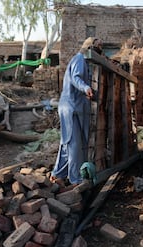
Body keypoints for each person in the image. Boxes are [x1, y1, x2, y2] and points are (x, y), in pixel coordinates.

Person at [50, 37, 103, 186]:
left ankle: (57, 174)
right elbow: (76, 78)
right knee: (74, 144)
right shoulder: (79, 59)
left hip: (73, 107)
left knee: (66, 143)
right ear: (89, 49)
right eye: (97, 50)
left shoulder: (85, 63)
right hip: (70, 108)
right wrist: (86, 88)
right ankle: (75, 179)